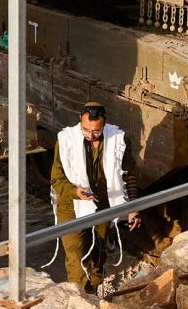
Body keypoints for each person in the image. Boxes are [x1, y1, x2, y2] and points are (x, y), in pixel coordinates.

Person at [50, 101, 140, 291]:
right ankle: (81, 299)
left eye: (96, 131)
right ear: (79, 122)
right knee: (76, 256)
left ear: (105, 123)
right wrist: (75, 192)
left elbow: (128, 175)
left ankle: (95, 288)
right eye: (86, 130)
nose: (90, 135)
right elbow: (56, 181)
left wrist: (132, 208)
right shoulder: (66, 141)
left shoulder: (119, 140)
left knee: (98, 252)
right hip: (71, 205)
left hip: (103, 204)